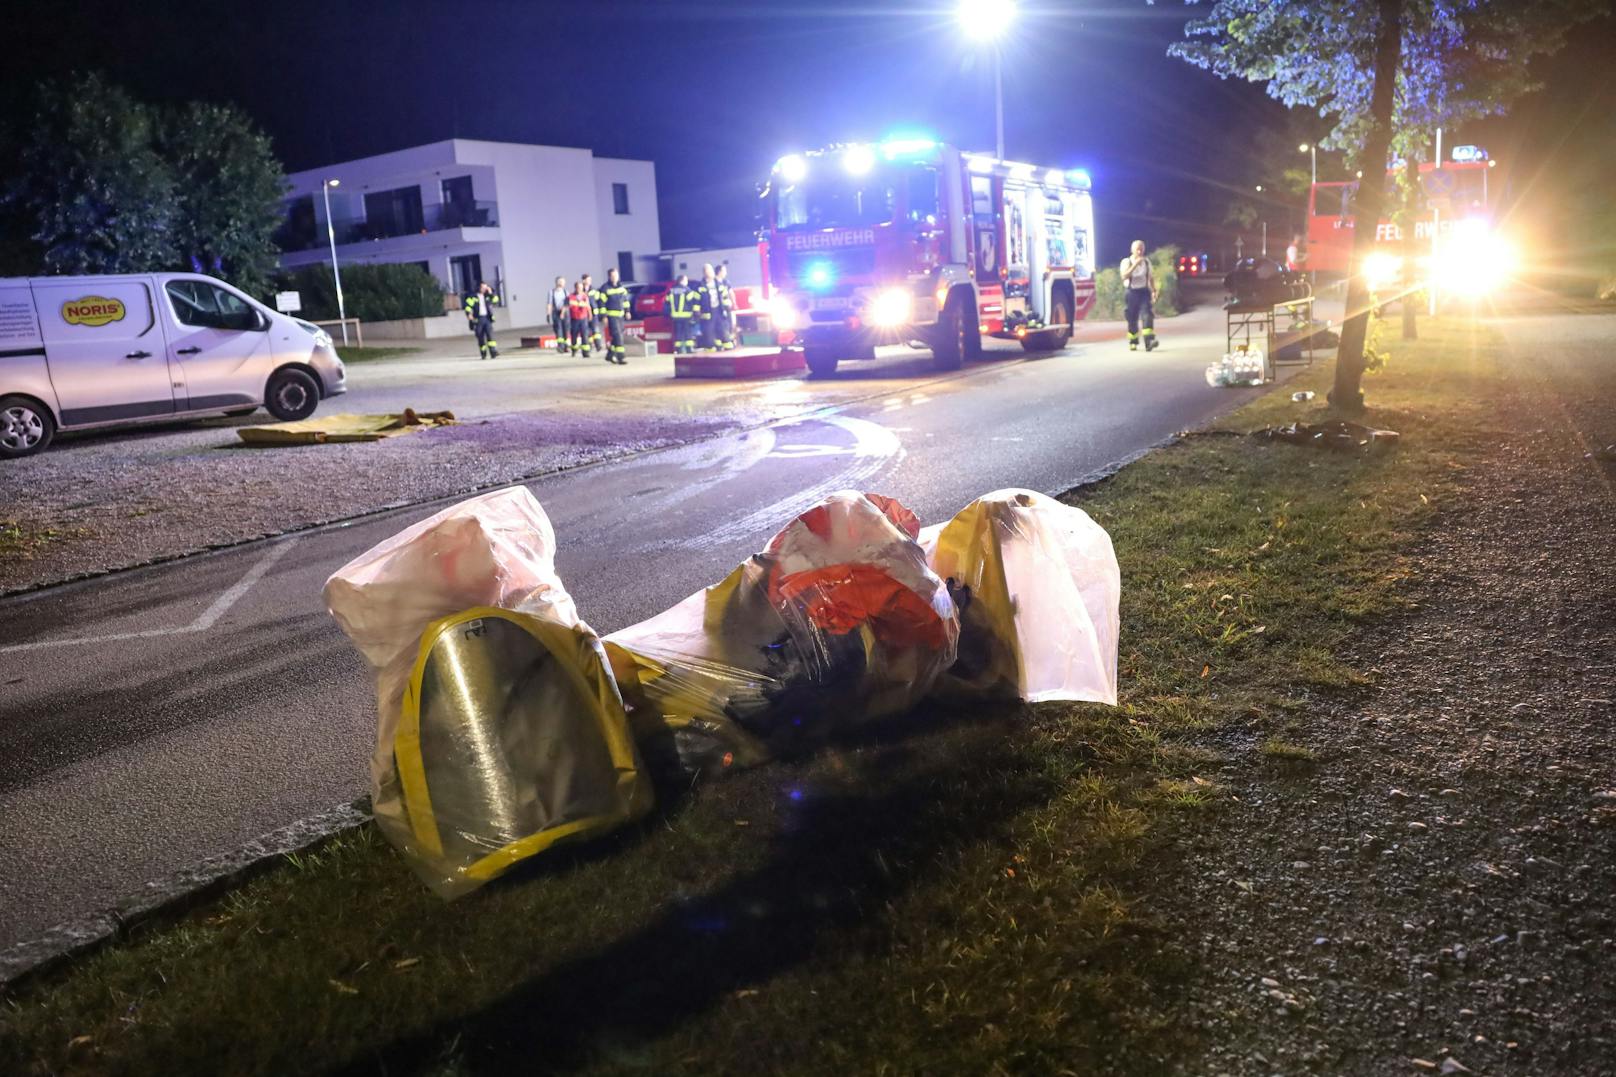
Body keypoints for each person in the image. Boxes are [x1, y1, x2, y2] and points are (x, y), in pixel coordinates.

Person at [1118, 240, 1158, 352]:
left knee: (1147, 315)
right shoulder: (1126, 262)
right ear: (1132, 250)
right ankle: (1133, 341)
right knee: (1132, 318)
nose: (1140, 251)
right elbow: (1124, 276)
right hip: (1131, 292)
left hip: (1144, 292)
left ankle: (1149, 341)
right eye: (1137, 249)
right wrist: (1135, 264)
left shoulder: (1146, 262)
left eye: (1141, 249)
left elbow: (1150, 277)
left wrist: (1154, 291)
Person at [598, 267, 632, 365]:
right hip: (611, 316)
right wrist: (604, 316)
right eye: (613, 276)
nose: (615, 278)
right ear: (609, 277)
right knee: (618, 335)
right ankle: (621, 357)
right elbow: (602, 304)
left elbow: (625, 301)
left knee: (618, 336)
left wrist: (627, 311)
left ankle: (610, 355)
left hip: (620, 316)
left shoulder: (621, 287)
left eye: (616, 276)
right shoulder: (605, 288)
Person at [463, 281, 502, 360]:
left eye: (485, 287)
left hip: (487, 318)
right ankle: (483, 353)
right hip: (478, 319)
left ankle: (493, 352)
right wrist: (469, 315)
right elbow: (467, 306)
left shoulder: (488, 296)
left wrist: (491, 292)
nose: (484, 289)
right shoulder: (473, 297)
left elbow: (496, 300)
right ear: (479, 288)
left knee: (490, 335)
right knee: (480, 337)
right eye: (483, 287)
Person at [666, 272, 700, 355]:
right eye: (686, 280)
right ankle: (689, 349)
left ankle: (678, 350)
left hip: (675, 317)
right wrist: (695, 313)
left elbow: (667, 303)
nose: (687, 282)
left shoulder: (671, 291)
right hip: (686, 316)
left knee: (678, 333)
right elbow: (693, 300)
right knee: (687, 333)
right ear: (682, 280)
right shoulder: (687, 290)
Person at [695, 263, 721, 351]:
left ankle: (720, 346)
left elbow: (724, 296)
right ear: (704, 272)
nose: (709, 272)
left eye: (710, 270)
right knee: (708, 331)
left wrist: (726, 308)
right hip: (707, 313)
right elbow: (696, 301)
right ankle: (711, 348)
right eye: (707, 270)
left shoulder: (718, 283)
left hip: (719, 310)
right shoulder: (700, 286)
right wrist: (697, 311)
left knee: (720, 329)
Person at [711, 264, 737, 350]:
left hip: (727, 307)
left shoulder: (726, 282)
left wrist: (734, 303)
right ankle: (721, 343)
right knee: (719, 326)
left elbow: (731, 292)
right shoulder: (713, 282)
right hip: (717, 308)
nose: (726, 273)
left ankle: (728, 341)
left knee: (728, 325)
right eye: (724, 271)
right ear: (719, 272)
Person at [566, 281, 594, 356]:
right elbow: (568, 305)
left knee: (584, 335)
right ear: (575, 288)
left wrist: (590, 314)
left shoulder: (585, 296)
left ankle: (585, 352)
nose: (579, 289)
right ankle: (574, 350)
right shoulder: (570, 296)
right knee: (574, 335)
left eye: (581, 288)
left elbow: (588, 306)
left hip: (583, 318)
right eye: (578, 287)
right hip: (574, 319)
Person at [546, 275, 570, 354]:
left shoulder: (566, 292)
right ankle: (560, 346)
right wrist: (548, 314)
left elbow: (567, 304)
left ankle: (566, 346)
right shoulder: (551, 292)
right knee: (558, 329)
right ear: (558, 282)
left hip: (565, 312)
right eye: (562, 282)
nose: (563, 283)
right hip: (556, 313)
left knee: (565, 330)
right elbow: (549, 303)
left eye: (563, 282)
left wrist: (563, 312)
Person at [581, 273, 603, 353]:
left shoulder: (594, 290)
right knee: (587, 331)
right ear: (583, 281)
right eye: (588, 280)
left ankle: (598, 345)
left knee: (595, 330)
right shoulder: (580, 290)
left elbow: (599, 301)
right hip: (584, 313)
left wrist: (600, 311)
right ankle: (589, 345)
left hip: (594, 313)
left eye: (590, 280)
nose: (590, 281)